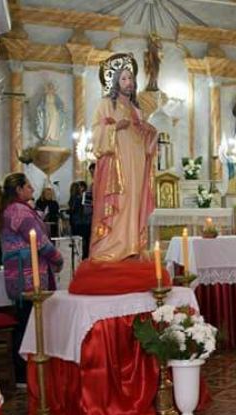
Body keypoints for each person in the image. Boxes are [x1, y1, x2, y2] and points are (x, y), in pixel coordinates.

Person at [0, 173, 63, 382]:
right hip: (27, 274)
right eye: (29, 186)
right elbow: (40, 242)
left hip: (23, 272)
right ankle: (25, 374)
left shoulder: (13, 209)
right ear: (19, 190)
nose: (32, 190)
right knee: (27, 323)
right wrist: (58, 259)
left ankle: (28, 371)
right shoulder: (18, 212)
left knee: (26, 320)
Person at [90, 58, 158, 262]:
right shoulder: (105, 104)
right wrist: (113, 128)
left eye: (131, 78)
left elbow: (145, 137)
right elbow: (95, 132)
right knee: (121, 199)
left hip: (137, 161)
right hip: (117, 163)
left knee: (134, 200)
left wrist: (150, 131)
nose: (129, 82)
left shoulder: (137, 109)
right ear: (116, 82)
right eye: (125, 78)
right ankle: (112, 246)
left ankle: (132, 246)